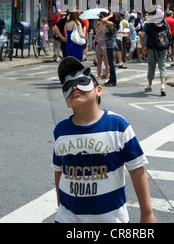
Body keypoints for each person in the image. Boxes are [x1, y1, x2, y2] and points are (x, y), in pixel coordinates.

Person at [53, 56, 157, 224]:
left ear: (99, 90)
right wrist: (60, 208)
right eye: (67, 86)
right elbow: (59, 170)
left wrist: (147, 214)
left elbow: (137, 169)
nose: (74, 87)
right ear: (66, 101)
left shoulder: (118, 126)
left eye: (81, 81)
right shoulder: (60, 131)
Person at [142, 9, 170, 96]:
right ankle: (162, 86)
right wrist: (169, 48)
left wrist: (144, 47)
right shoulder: (164, 22)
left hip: (152, 48)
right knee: (162, 67)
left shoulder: (148, 23)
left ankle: (150, 85)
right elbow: (169, 35)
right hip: (163, 47)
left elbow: (142, 35)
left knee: (151, 67)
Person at [102, 12, 120, 86]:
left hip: (110, 45)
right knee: (110, 63)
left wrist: (110, 16)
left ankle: (113, 80)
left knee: (111, 63)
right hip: (109, 45)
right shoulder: (110, 24)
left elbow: (103, 20)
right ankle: (111, 79)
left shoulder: (112, 24)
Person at [92, 12, 109, 85]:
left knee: (106, 62)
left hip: (105, 44)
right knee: (99, 62)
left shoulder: (108, 24)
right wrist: (94, 42)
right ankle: (98, 77)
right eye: (100, 17)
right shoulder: (99, 24)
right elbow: (96, 35)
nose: (100, 18)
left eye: (101, 17)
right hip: (99, 44)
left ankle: (107, 77)